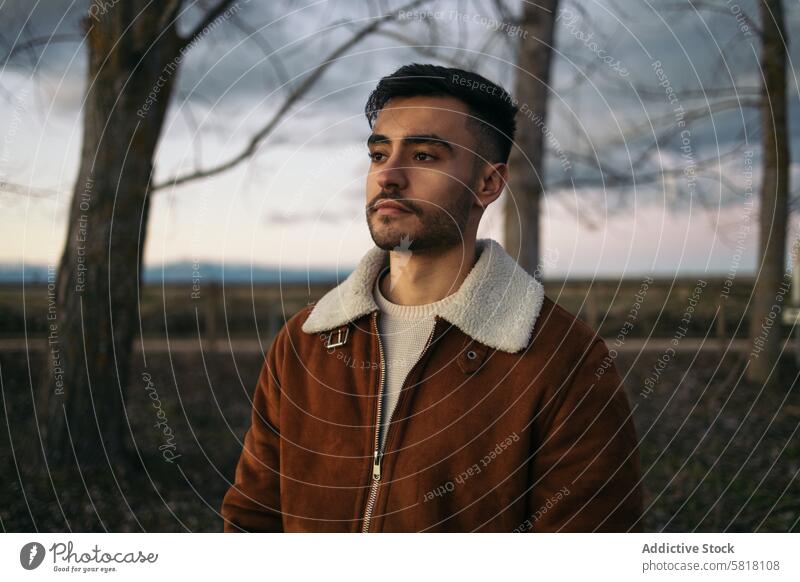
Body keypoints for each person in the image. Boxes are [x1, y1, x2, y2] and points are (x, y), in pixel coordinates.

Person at [221, 63, 643, 532]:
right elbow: (252, 519)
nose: (389, 177)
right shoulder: (306, 343)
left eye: (423, 156)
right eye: (379, 155)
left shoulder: (564, 361)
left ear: (488, 184)